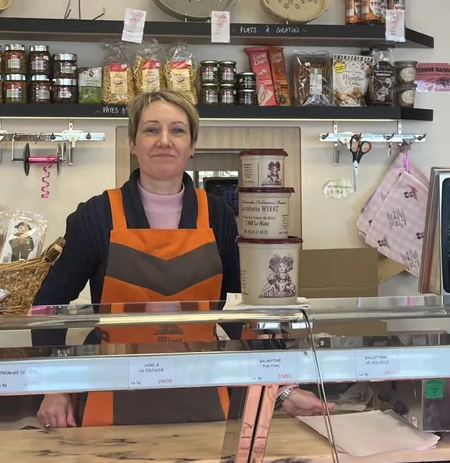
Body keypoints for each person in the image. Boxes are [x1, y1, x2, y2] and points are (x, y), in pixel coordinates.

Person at [32, 88, 330, 428]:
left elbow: (240, 311)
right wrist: (52, 386)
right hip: (112, 382)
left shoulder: (216, 213)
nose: (164, 140)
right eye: (151, 129)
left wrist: (282, 388)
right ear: (133, 143)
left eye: (177, 130)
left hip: (203, 382)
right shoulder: (96, 215)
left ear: (192, 145)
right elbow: (48, 304)